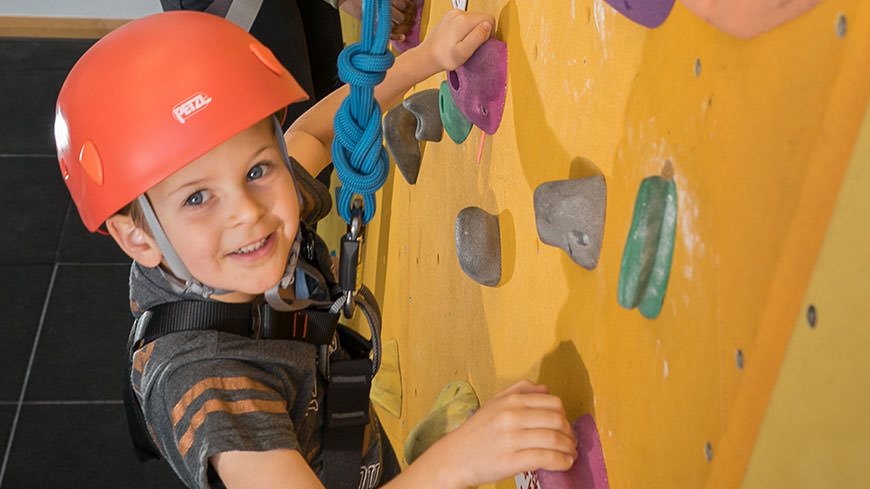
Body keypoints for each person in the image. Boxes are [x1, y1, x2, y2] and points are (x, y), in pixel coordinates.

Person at [54, 9, 576, 489]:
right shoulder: (212, 384)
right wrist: (460, 461)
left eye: (258, 169)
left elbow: (315, 134)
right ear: (137, 238)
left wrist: (425, 60)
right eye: (197, 198)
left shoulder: (226, 237)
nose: (248, 212)